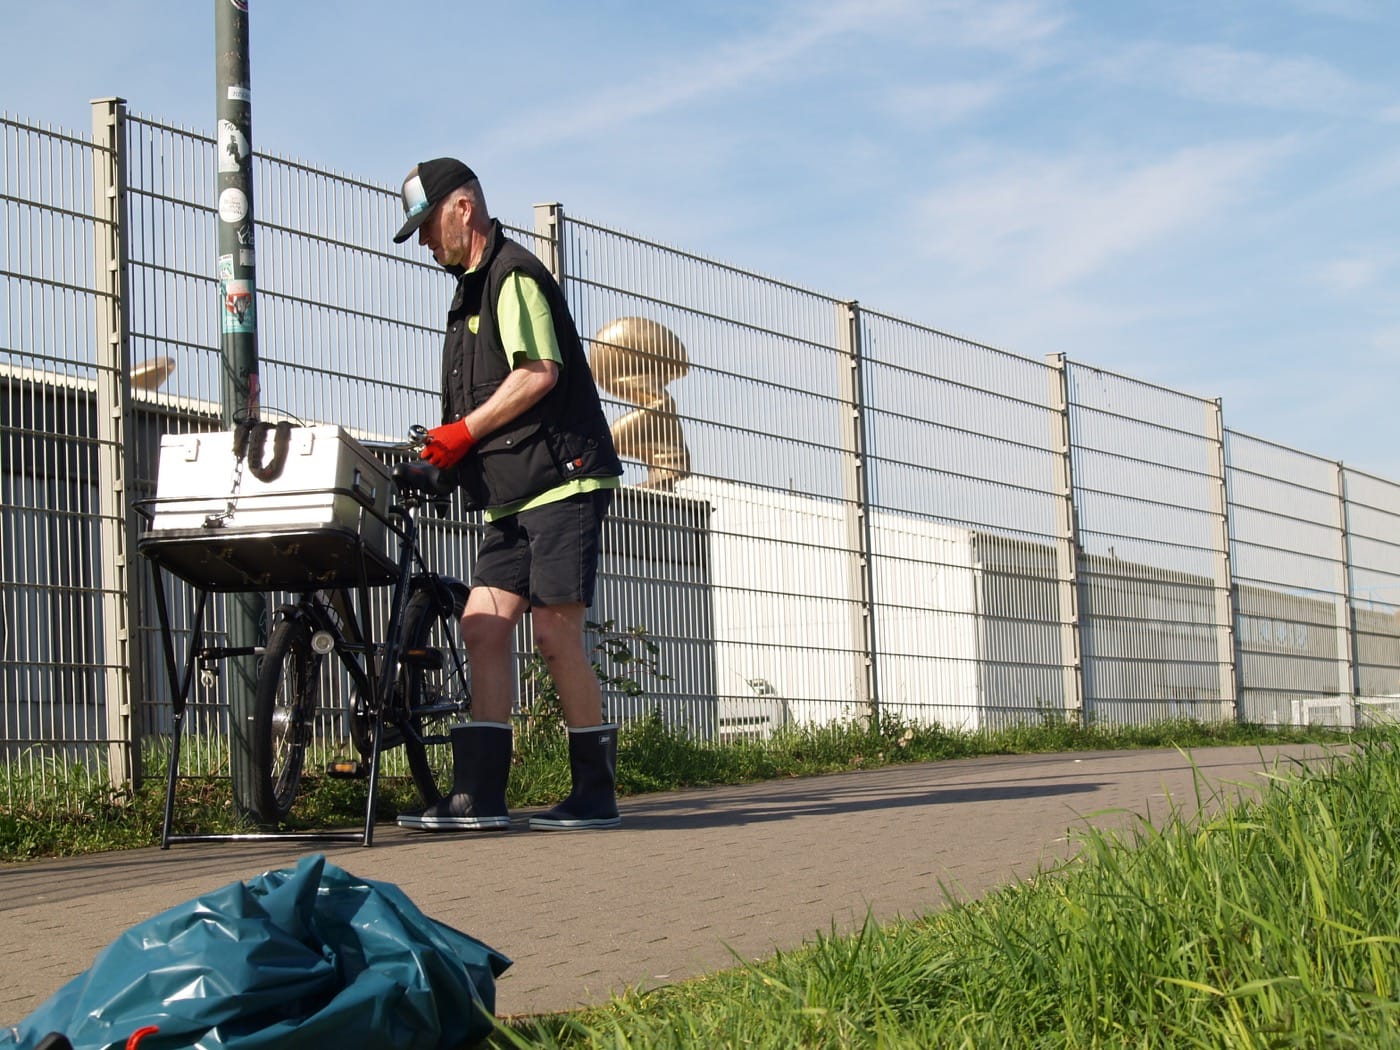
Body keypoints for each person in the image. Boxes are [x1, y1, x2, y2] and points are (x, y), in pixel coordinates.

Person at [390, 158, 624, 833]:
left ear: (463, 208)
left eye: (430, 227)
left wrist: (461, 432)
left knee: (553, 630)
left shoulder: (512, 275)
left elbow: (538, 374)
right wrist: (449, 460)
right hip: (512, 494)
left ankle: (594, 792)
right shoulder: (467, 294)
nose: (428, 244)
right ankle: (479, 794)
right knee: (482, 625)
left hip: (564, 477)